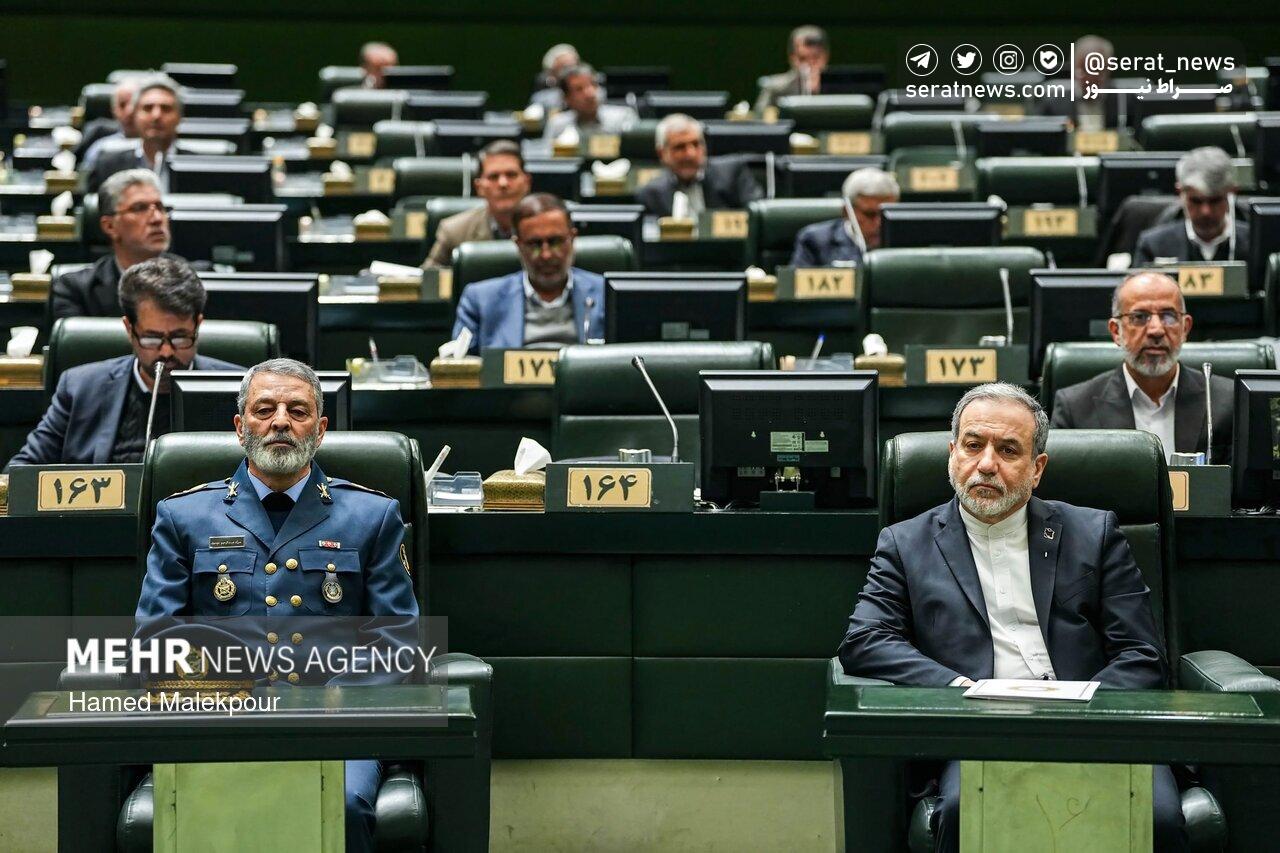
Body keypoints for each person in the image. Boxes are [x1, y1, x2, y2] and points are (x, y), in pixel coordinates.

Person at [839, 382, 1185, 852]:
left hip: (1094, 731)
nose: (986, 464)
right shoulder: (905, 543)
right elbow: (866, 639)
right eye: (973, 445)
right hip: (980, 736)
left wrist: (1078, 711)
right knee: (965, 814)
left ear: (1036, 468)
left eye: (1007, 450)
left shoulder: (1094, 533)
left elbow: (1142, 655)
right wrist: (962, 690)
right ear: (952, 454)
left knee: (1158, 818)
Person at [133, 357, 419, 853]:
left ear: (321, 430)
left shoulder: (372, 515)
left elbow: (397, 641)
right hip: (220, 722)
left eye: (298, 411)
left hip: (336, 726)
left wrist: (328, 703)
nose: (281, 421)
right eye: (264, 410)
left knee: (343, 804)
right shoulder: (184, 516)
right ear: (240, 426)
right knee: (209, 798)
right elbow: (156, 640)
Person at [5, 257, 241, 470]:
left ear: (198, 325)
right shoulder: (80, 387)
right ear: (129, 329)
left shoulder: (238, 390)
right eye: (151, 338)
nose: (167, 351)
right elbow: (21, 471)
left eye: (180, 337)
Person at [1050, 271, 1233, 462]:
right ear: (1116, 331)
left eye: (1168, 316)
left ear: (1185, 328)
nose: (1156, 330)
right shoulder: (1075, 409)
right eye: (1139, 316)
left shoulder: (1227, 402)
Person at [451, 192, 604, 353]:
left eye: (555, 242)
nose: (546, 255)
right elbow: (459, 365)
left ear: (572, 238)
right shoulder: (481, 300)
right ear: (518, 244)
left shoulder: (606, 295)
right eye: (534, 244)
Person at [51, 169, 178, 320]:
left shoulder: (194, 281)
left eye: (160, 207)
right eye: (140, 208)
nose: (157, 218)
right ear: (110, 226)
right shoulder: (75, 291)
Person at [422, 140, 532, 268]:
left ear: (527, 182)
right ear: (479, 187)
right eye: (493, 177)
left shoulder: (549, 228)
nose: (503, 183)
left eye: (511, 175)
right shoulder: (455, 232)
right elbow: (429, 277)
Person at [1133, 147, 1251, 265]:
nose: (1206, 212)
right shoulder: (1153, 246)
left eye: (1215, 201)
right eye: (1196, 201)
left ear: (1232, 192)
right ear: (1180, 193)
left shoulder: (1255, 243)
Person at [636, 113, 763, 217]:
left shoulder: (732, 174)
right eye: (680, 147)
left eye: (696, 144)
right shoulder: (651, 194)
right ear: (662, 153)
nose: (690, 154)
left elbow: (759, 218)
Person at [88, 73, 184, 193]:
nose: (156, 116)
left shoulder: (198, 164)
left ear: (179, 117)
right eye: (148, 108)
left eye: (166, 108)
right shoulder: (108, 164)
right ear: (135, 115)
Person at [790, 167, 899, 266]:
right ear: (847, 212)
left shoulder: (906, 243)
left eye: (887, 215)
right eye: (870, 214)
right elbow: (797, 281)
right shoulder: (815, 242)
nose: (879, 223)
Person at [1036, 35, 1124, 131]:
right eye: (1083, 69)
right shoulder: (1053, 104)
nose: (1089, 77)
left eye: (1096, 69)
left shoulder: (1124, 102)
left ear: (1108, 69)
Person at [542, 64, 636, 141]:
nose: (590, 94)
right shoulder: (557, 125)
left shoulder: (623, 118)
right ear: (566, 98)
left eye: (593, 85)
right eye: (579, 89)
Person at [755, 25, 830, 114]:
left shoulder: (839, 86)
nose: (809, 65)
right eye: (802, 59)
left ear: (826, 57)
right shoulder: (775, 89)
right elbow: (760, 117)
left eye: (815, 58)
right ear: (792, 58)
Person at [77, 76, 140, 169]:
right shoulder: (101, 150)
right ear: (114, 110)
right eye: (122, 105)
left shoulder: (158, 146)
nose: (129, 111)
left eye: (135, 104)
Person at [530, 43, 579, 110]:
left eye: (574, 67)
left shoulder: (591, 91)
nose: (571, 72)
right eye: (565, 68)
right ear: (552, 74)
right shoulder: (542, 100)